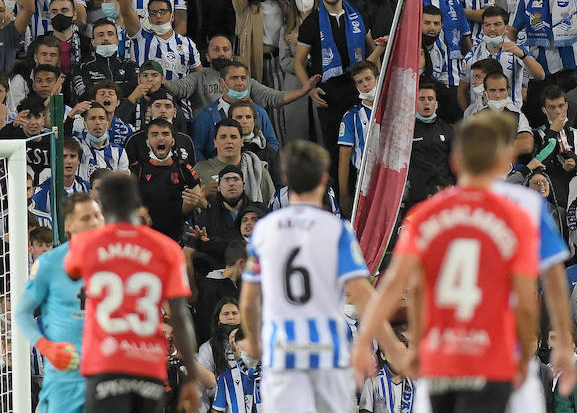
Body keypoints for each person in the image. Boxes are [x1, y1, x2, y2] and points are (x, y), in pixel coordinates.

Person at [351, 111, 540, 413]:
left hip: (442, 359)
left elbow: (403, 288)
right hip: (488, 356)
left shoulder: (426, 216)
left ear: (454, 163)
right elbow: (527, 299)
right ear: (499, 161)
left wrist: (366, 343)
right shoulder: (512, 218)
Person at [240, 140, 398, 411]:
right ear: (324, 179)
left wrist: (254, 342)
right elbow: (363, 295)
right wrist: (390, 347)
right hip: (327, 354)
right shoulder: (337, 229)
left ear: (286, 178)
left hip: (282, 355)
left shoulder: (265, 230)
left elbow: (249, 301)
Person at [64, 172, 211, 413]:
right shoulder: (167, 249)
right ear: (137, 203)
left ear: (104, 206)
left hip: (104, 366)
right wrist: (192, 377)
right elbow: (180, 317)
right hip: (148, 367)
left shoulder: (84, 246)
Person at [14, 193, 105, 413]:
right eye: (86, 218)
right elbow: (22, 313)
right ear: (69, 225)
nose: (94, 222)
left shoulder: (115, 261)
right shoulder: (49, 264)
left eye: (97, 216)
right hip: (64, 381)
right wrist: (46, 346)